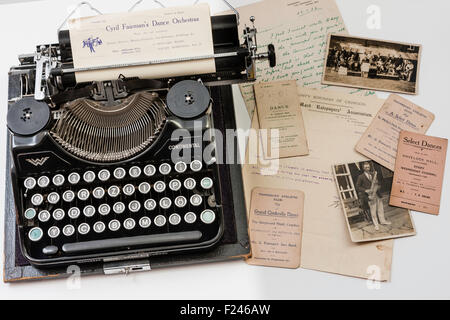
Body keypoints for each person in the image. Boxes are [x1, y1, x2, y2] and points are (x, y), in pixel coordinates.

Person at [355, 162, 391, 231]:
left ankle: (383, 221)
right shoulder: (361, 177)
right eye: (365, 167)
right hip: (370, 196)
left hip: (377, 194)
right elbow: (357, 187)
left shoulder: (373, 174)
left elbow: (378, 183)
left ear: (369, 167)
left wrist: (378, 186)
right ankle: (376, 225)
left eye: (368, 167)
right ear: (363, 168)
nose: (367, 168)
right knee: (373, 211)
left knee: (380, 209)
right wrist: (366, 190)